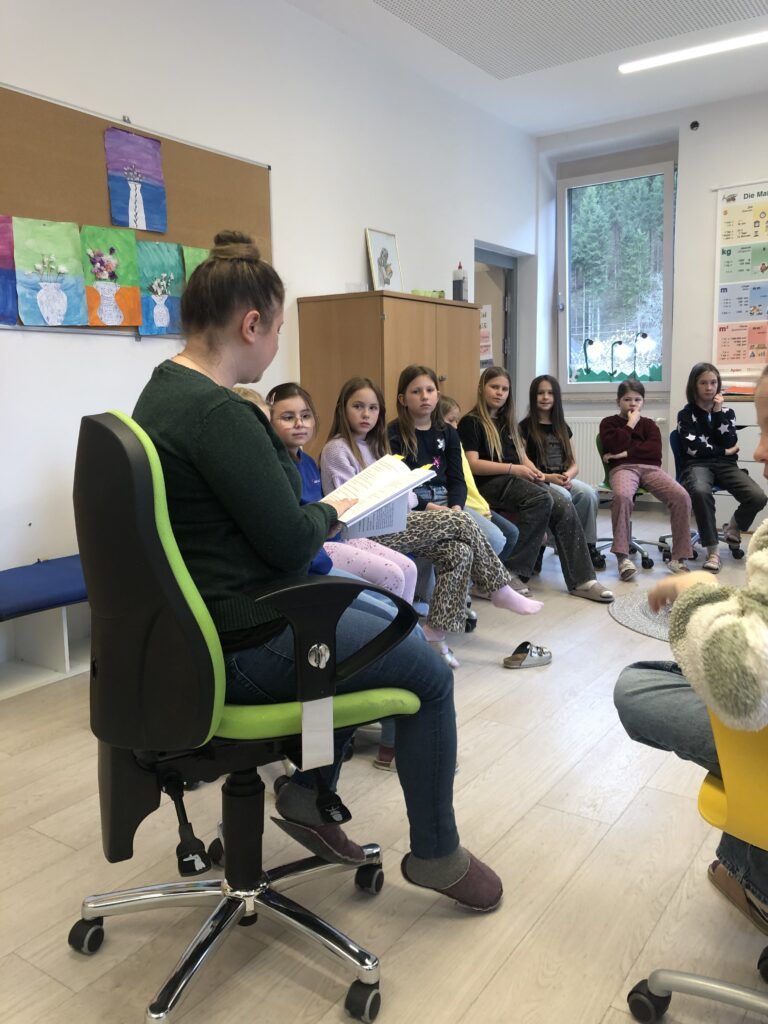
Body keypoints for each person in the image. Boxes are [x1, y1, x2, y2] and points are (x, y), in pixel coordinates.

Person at [132, 231, 502, 912]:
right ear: (251, 325)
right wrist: (334, 508)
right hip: (240, 637)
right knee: (425, 672)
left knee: (359, 620)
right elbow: (287, 542)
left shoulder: (161, 392)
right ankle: (436, 855)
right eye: (277, 330)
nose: (277, 344)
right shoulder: (219, 414)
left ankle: (308, 792)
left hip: (189, 631)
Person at [614, 364, 768, 933]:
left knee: (637, 685)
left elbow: (746, 687)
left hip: (758, 706)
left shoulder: (682, 422)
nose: (761, 451)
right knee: (690, 483)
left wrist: (698, 594)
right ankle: (639, 551)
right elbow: (623, 456)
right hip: (665, 471)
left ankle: (755, 881)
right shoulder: (661, 419)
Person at [321, 375, 543, 672]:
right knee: (458, 519)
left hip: (394, 522)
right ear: (343, 409)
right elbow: (348, 505)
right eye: (358, 407)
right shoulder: (337, 448)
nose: (366, 414)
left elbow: (409, 496)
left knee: (459, 551)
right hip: (361, 532)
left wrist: (406, 496)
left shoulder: (377, 445)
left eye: (372, 408)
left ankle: (435, 634)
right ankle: (498, 587)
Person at [457, 366, 613, 602]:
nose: (499, 393)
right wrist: (513, 469)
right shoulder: (471, 422)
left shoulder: (506, 422)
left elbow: (522, 457)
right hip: (487, 484)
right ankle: (511, 572)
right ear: (481, 388)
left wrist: (536, 473)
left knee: (563, 503)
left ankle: (582, 580)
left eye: (504, 389)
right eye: (494, 387)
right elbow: (472, 464)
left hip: (514, 479)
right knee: (541, 498)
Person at [267, 381, 418, 604]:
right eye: (288, 417)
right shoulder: (276, 466)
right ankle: (389, 624)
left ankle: (405, 623)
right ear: (269, 423)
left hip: (335, 537)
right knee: (392, 574)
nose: (299, 423)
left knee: (408, 567)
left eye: (306, 416)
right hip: (320, 547)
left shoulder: (307, 461)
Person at [599, 377, 693, 581]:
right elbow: (612, 444)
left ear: (643, 402)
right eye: (627, 399)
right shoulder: (608, 423)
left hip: (650, 469)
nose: (632, 404)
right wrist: (630, 425)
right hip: (623, 469)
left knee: (682, 496)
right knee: (623, 496)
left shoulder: (650, 425)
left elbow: (654, 452)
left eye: (637, 399)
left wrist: (622, 453)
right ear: (618, 401)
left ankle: (679, 557)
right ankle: (623, 558)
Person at [677, 361, 766, 573]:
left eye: (713, 382)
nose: (709, 387)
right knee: (700, 491)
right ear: (694, 386)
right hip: (697, 465)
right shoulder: (686, 414)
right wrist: (724, 451)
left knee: (757, 496)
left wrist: (717, 412)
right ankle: (712, 551)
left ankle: (733, 527)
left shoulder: (728, 412)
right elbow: (694, 449)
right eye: (703, 383)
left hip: (726, 465)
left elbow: (729, 441)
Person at [439, 395, 526, 591]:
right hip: (461, 505)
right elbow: (457, 488)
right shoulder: (442, 449)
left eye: (456, 420)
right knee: (497, 538)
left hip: (477, 504)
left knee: (512, 533)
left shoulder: (456, 444)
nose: (455, 426)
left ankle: (484, 580)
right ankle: (477, 583)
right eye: (451, 420)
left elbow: (467, 484)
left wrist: (482, 507)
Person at [519, 374, 604, 570]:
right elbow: (523, 461)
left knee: (588, 494)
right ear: (533, 396)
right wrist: (549, 478)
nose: (545, 397)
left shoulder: (562, 427)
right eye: (540, 393)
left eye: (550, 393)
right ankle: (542, 546)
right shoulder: (524, 427)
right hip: (538, 480)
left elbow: (574, 463)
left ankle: (587, 546)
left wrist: (569, 476)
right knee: (563, 497)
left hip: (562, 479)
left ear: (556, 397)